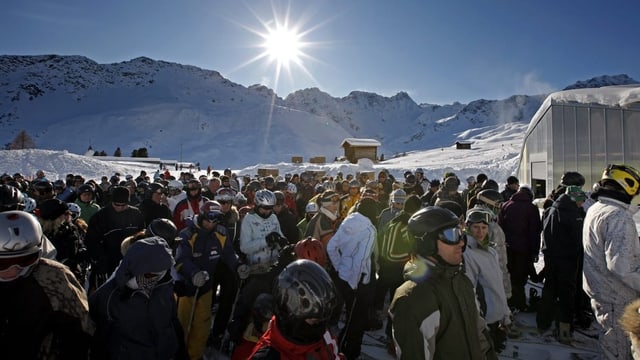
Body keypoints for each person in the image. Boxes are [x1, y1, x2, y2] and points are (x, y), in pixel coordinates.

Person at [389, 206, 496, 360]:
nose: (461, 243)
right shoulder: (414, 298)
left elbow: (480, 335)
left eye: (461, 234)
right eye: (452, 235)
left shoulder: (461, 281)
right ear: (427, 243)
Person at [0, 210, 93, 359]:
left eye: (26, 260)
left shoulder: (54, 278)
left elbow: (80, 328)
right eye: (3, 263)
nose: (14, 269)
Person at [89, 236, 188, 360]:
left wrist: (181, 353)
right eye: (154, 273)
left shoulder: (163, 286)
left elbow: (172, 321)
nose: (159, 277)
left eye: (163, 271)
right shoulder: (110, 294)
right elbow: (94, 331)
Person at [583, 164, 640, 359]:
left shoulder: (597, 208)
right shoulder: (618, 216)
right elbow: (621, 266)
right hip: (617, 297)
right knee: (619, 352)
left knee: (610, 346)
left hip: (603, 291)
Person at [175, 206, 238, 360]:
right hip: (186, 289)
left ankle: (195, 355)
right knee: (182, 325)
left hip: (206, 288)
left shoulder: (220, 234)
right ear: (201, 217)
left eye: (215, 221)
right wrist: (193, 273)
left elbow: (229, 253)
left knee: (202, 325)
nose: (211, 224)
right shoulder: (187, 234)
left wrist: (239, 265)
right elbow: (180, 260)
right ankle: (179, 354)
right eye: (208, 220)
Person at [249, 259, 344, 359]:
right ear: (291, 312)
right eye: (313, 320)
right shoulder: (269, 356)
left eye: (319, 320)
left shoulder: (321, 332)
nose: (318, 323)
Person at [326, 197, 378, 360]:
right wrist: (354, 283)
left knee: (349, 316)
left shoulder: (347, 221)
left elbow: (331, 246)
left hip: (343, 275)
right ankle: (348, 352)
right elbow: (361, 260)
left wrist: (339, 266)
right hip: (359, 281)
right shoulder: (369, 229)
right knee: (355, 321)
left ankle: (341, 349)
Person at [536, 185, 586, 344]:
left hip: (551, 257)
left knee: (549, 289)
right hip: (568, 259)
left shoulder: (551, 209)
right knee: (566, 293)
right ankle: (564, 325)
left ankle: (543, 321)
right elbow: (579, 240)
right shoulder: (572, 214)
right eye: (580, 201)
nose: (581, 204)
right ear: (573, 199)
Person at [463, 207, 512, 353]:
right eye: (476, 227)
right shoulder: (467, 254)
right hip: (484, 320)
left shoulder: (491, 251)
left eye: (484, 227)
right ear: (468, 227)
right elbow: (470, 291)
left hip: (496, 318)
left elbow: (497, 286)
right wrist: (479, 323)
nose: (480, 232)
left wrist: (505, 313)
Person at [85, 186, 145, 291]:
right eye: (117, 204)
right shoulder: (100, 217)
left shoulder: (136, 214)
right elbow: (91, 241)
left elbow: (141, 235)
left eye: (124, 205)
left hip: (130, 262)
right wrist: (100, 261)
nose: (120, 207)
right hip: (107, 262)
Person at [498, 184, 542, 312]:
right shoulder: (531, 208)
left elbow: (500, 227)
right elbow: (535, 231)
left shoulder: (506, 205)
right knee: (520, 277)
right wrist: (535, 251)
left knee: (509, 274)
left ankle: (509, 301)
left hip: (508, 248)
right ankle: (520, 303)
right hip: (524, 249)